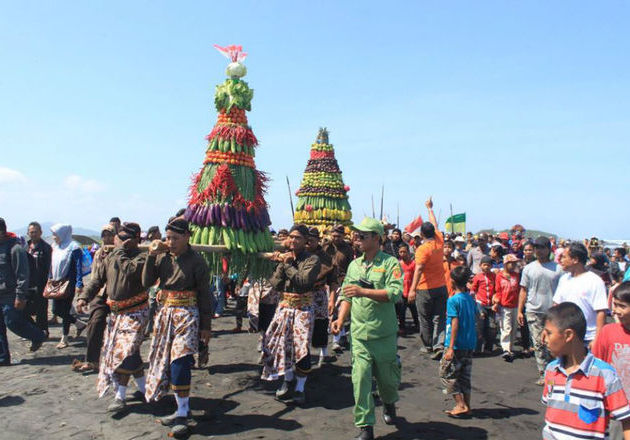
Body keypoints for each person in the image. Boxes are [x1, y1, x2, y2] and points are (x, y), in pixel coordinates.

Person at [331, 217, 403, 440]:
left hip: (384, 334)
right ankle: (365, 426)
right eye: (356, 235)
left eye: (362, 235)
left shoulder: (390, 264)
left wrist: (364, 292)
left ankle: (389, 402)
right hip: (359, 334)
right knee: (360, 379)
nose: (357, 238)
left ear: (376, 238)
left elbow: (394, 294)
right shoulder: (354, 265)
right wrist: (341, 319)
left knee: (388, 381)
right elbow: (346, 295)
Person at [142, 218, 212, 437]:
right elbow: (146, 282)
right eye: (168, 238)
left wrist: (206, 326)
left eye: (175, 238)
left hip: (187, 315)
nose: (170, 242)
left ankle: (182, 413)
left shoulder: (197, 261)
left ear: (187, 237)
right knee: (164, 361)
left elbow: (205, 294)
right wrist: (151, 256)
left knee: (180, 361)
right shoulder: (162, 257)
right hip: (164, 314)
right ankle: (181, 407)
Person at [77, 222, 148, 412]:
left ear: (136, 240)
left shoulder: (143, 258)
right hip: (116, 313)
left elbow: (132, 272)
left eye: (126, 239)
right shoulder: (109, 258)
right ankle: (144, 389)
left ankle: (120, 396)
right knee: (131, 352)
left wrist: (119, 252)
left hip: (136, 311)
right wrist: (84, 297)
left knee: (125, 351)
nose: (121, 241)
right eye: (120, 237)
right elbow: (97, 281)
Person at [541, 302, 630, 440]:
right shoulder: (551, 370)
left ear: (568, 335)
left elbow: (625, 420)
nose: (543, 339)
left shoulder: (605, 375)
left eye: (548, 333)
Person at [261, 224, 320, 406]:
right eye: (292, 237)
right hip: (284, 306)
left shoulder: (312, 259)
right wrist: (281, 266)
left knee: (301, 348)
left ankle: (300, 387)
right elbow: (276, 284)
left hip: (303, 309)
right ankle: (287, 379)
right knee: (280, 345)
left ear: (306, 241)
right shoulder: (286, 258)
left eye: (298, 238)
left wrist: (287, 265)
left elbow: (303, 282)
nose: (293, 240)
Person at [517, 236, 563, 385]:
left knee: (553, 343)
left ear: (549, 249)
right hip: (533, 310)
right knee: (538, 343)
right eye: (536, 248)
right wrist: (519, 310)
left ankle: (555, 370)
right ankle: (543, 373)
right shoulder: (528, 269)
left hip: (553, 312)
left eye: (542, 247)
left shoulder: (558, 269)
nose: (539, 251)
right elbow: (523, 290)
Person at [0, 218, 46, 365]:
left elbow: (22, 274)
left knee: (12, 321)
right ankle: (3, 357)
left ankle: (38, 335)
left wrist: (20, 295)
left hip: (11, 293)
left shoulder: (15, 249)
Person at [409, 197, 448, 359]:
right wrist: (430, 208)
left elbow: (418, 270)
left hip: (424, 288)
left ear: (422, 234)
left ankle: (428, 346)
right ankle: (438, 344)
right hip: (441, 286)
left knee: (424, 318)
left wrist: (412, 290)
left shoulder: (422, 249)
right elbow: (435, 223)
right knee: (439, 317)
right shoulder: (439, 240)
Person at [74, 224, 115, 373]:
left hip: (118, 294)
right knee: (95, 323)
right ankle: (92, 360)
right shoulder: (98, 253)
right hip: (100, 293)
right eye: (104, 235)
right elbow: (95, 278)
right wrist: (84, 297)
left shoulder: (120, 252)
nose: (107, 238)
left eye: (110, 235)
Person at [593, 282, 630, 439]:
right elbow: (596, 368)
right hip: (613, 407)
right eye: (614, 305)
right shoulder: (608, 332)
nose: (615, 310)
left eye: (622, 306)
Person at [553, 242, 608, 347]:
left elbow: (601, 312)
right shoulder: (564, 279)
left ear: (575, 259)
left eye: (564, 257)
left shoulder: (594, 281)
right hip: (566, 335)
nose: (560, 260)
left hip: (587, 338)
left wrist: (597, 338)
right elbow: (556, 305)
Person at [440, 266, 477, 418]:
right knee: (464, 376)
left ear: (453, 281)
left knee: (446, 374)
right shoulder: (470, 298)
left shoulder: (453, 300)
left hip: (456, 344)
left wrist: (450, 347)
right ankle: (467, 405)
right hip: (469, 343)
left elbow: (455, 322)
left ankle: (460, 404)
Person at [50, 223, 87, 349]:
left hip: (68, 283)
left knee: (64, 309)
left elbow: (78, 266)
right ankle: (79, 324)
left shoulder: (74, 247)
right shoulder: (55, 247)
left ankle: (64, 338)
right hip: (56, 282)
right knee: (56, 310)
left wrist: (79, 283)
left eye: (55, 234)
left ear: (62, 234)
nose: (54, 237)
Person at [306, 227, 338, 366]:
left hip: (319, 294)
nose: (308, 244)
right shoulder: (299, 254)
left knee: (321, 323)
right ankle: (304, 354)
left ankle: (323, 353)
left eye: (311, 241)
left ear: (318, 241)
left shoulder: (326, 258)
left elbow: (332, 281)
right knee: (304, 326)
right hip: (301, 295)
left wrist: (332, 299)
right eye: (306, 241)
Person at [324, 224, 354, 352]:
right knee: (329, 310)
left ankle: (336, 340)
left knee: (339, 309)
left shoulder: (347, 249)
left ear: (343, 236)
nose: (336, 238)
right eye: (334, 236)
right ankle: (338, 335)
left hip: (341, 281)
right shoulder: (326, 247)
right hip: (327, 282)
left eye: (338, 236)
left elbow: (350, 267)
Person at [26, 221, 52, 335]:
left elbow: (49, 267)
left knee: (41, 309)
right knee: (24, 309)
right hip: (27, 283)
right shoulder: (25, 247)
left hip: (41, 283)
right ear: (28, 233)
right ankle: (32, 329)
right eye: (31, 232)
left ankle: (43, 332)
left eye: (36, 232)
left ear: (40, 233)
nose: (33, 234)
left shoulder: (46, 248)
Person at [493, 254, 521, 362]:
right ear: (505, 264)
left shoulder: (516, 275)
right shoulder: (500, 276)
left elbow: (519, 290)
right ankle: (505, 349)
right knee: (506, 327)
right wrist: (496, 303)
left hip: (515, 305)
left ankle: (511, 348)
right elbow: (498, 291)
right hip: (504, 306)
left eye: (515, 263)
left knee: (514, 328)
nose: (513, 265)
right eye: (511, 263)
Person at [471, 256, 497, 353]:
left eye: (488, 265)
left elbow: (496, 289)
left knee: (491, 327)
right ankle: (477, 349)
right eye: (484, 265)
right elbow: (473, 289)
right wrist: (473, 300)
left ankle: (488, 348)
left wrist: (496, 298)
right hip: (480, 304)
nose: (486, 267)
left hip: (491, 305)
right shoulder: (478, 277)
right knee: (479, 327)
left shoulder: (494, 276)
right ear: (480, 265)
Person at [397, 243, 419, 335]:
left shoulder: (413, 264)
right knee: (401, 311)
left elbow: (416, 277)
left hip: (411, 291)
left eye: (404, 252)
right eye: (401, 252)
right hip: (402, 292)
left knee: (415, 310)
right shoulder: (398, 264)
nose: (403, 254)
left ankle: (417, 325)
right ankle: (402, 327)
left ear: (408, 252)